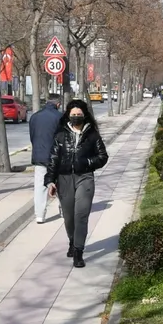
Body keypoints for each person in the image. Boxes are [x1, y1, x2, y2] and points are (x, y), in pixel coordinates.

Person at [45, 100, 109, 268]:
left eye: (78, 114)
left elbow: (103, 157)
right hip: (64, 178)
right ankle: (72, 241)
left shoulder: (92, 134)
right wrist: (50, 181)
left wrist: (87, 162)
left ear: (84, 115)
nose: (75, 117)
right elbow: (53, 159)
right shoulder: (60, 135)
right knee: (69, 216)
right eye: (72, 115)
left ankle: (78, 252)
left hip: (85, 178)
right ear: (68, 115)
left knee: (81, 214)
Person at [29, 94, 63, 223]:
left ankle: (40, 215)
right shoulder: (60, 117)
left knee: (40, 187)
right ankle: (64, 211)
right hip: (57, 158)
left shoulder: (34, 117)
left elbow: (33, 137)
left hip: (40, 157)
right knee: (61, 185)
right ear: (58, 104)